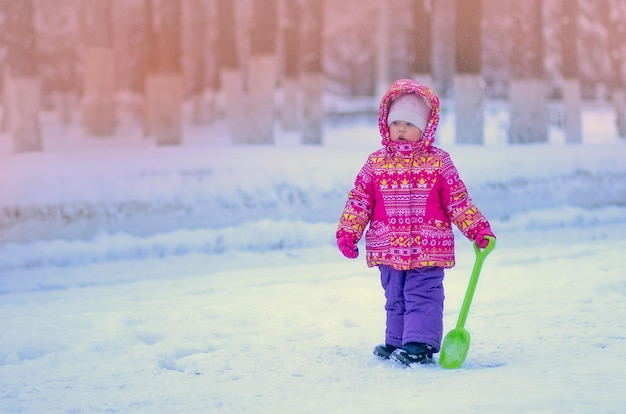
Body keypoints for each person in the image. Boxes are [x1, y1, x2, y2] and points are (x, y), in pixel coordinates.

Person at [335, 78, 495, 367]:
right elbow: (359, 200)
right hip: (388, 246)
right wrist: (349, 232)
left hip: (428, 246)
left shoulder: (439, 163)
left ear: (425, 128)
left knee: (422, 294)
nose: (401, 130)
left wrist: (477, 229)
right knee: (395, 295)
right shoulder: (376, 163)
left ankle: (419, 343)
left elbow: (458, 201)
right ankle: (397, 340)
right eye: (396, 123)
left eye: (409, 125)